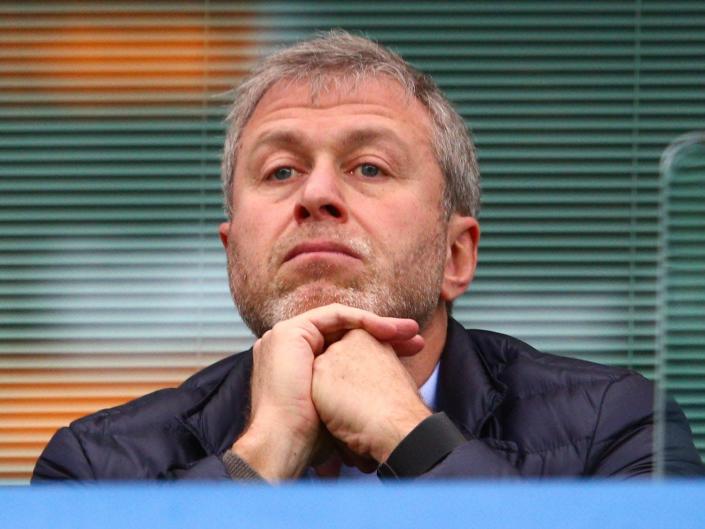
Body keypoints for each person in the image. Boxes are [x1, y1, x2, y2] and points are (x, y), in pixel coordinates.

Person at [32, 31, 704, 482]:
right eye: (279, 171)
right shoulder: (96, 465)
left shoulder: (615, 427)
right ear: (233, 252)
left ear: (455, 254)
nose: (316, 194)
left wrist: (408, 434)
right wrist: (260, 457)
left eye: (370, 167)